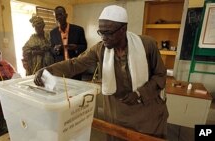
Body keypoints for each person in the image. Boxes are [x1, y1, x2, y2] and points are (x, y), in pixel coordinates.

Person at [34, 5, 168, 140]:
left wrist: (139, 93)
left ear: (123, 29)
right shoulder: (101, 49)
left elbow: (160, 76)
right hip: (116, 114)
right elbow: (75, 64)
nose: (104, 37)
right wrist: (48, 69)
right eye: (101, 32)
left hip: (147, 116)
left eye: (108, 33)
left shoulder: (146, 45)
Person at [50, 6, 87, 80]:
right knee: (62, 88)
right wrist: (55, 49)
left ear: (66, 15)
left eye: (61, 14)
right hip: (60, 67)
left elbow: (84, 46)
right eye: (56, 15)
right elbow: (51, 49)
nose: (59, 17)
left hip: (75, 66)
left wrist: (76, 47)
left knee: (76, 89)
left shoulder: (78, 30)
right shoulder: (53, 33)